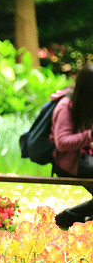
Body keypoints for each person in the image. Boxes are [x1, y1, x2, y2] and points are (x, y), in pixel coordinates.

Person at [50, 63, 93, 229]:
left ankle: (70, 218)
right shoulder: (66, 106)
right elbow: (62, 142)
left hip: (84, 157)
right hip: (68, 163)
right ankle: (69, 217)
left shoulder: (84, 103)